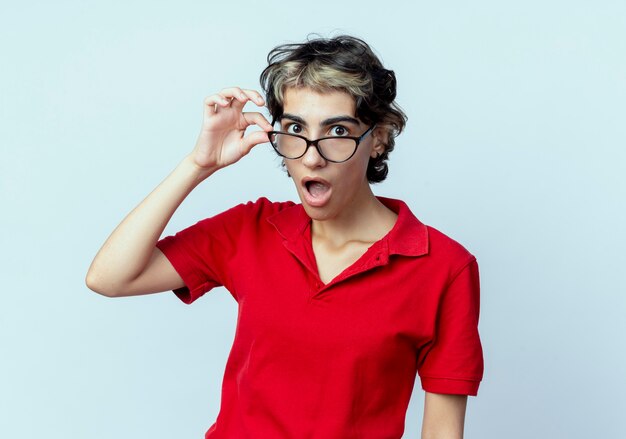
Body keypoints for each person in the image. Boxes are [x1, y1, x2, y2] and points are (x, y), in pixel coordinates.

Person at [86, 35, 483, 439]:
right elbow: (110, 278)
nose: (311, 156)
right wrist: (198, 164)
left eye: (338, 130)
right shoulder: (251, 229)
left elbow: (442, 431)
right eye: (295, 128)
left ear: (378, 138)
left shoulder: (443, 267)